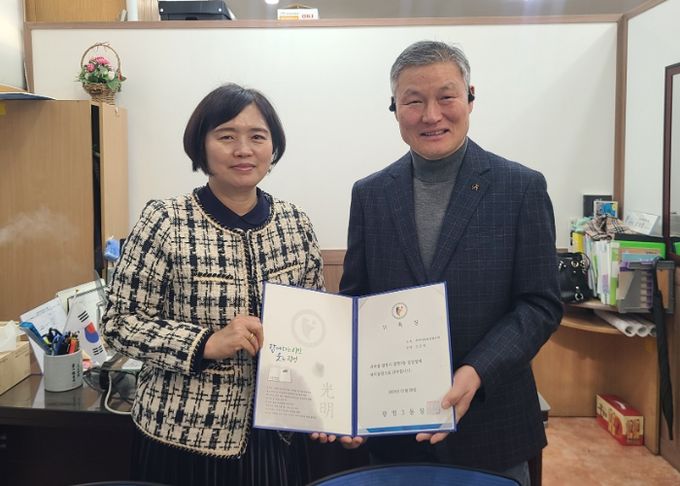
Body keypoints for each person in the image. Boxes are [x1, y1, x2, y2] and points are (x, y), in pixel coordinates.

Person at [337, 41, 563, 485]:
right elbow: (356, 303)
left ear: (470, 98)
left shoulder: (521, 188)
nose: (431, 115)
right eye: (413, 101)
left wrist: (477, 371)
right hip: (392, 429)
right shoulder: (370, 194)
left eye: (446, 96)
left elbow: (540, 304)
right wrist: (345, 401)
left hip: (492, 428)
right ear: (394, 108)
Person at [101, 83, 324, 486]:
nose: (244, 150)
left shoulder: (295, 223)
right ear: (201, 146)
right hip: (183, 436)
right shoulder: (166, 220)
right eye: (226, 136)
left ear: (273, 147)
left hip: (278, 434)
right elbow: (120, 323)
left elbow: (316, 323)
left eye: (258, 137)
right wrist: (205, 343)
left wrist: (329, 403)